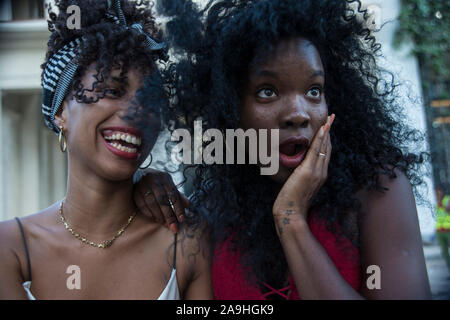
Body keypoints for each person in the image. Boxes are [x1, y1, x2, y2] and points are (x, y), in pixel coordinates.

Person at [135, 0, 432, 299]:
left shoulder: (378, 190)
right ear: (231, 109)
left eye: (314, 90)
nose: (299, 113)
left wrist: (291, 221)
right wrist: (137, 188)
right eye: (268, 91)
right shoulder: (214, 211)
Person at [0, 0, 212, 300]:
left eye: (150, 99)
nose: (137, 112)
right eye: (112, 90)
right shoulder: (11, 250)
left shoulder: (186, 243)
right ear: (61, 110)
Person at [435, 188, 450, 271]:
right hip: (439, 231)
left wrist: (441, 202)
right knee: (445, 253)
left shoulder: (447, 199)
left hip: (448, 230)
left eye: (438, 192)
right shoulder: (436, 203)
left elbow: (448, 210)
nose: (437, 194)